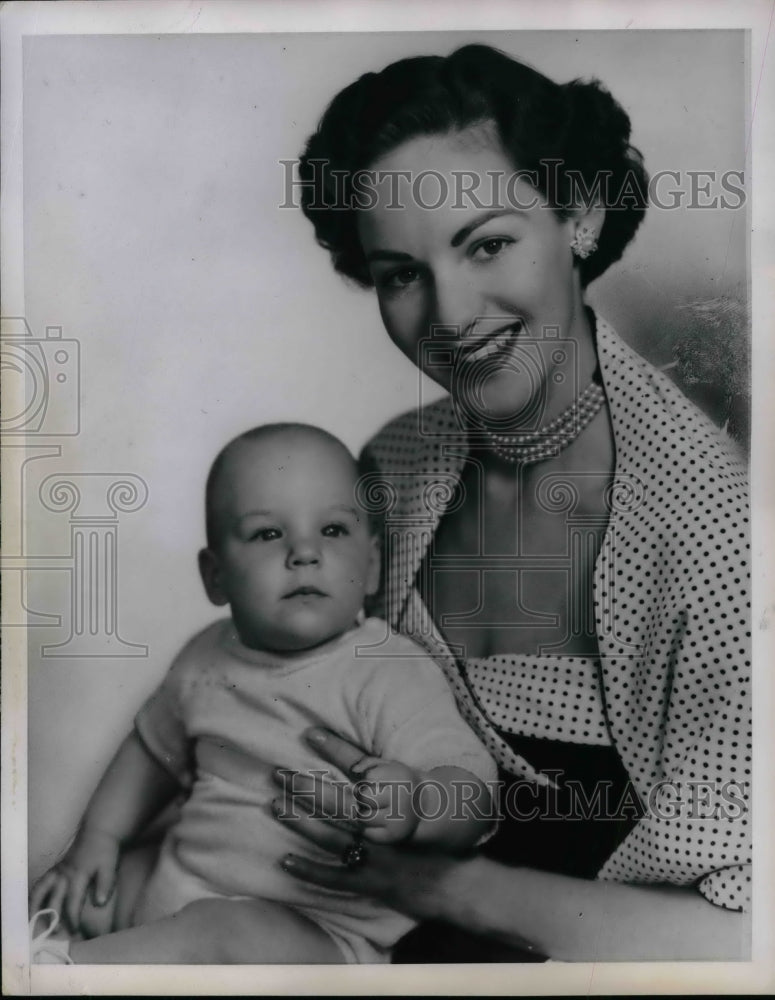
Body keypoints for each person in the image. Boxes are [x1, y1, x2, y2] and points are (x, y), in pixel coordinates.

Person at [271, 44, 752, 961]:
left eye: (486, 244)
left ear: (580, 216)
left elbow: (743, 943)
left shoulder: (718, 533)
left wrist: (439, 886)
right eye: (401, 273)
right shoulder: (390, 471)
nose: (450, 316)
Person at [29, 423, 497, 964]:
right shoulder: (206, 656)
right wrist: (100, 839)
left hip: (312, 935)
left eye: (333, 530)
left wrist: (418, 804)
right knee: (70, 891)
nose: (304, 552)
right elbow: (152, 752)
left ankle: (65, 976)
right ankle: (50, 952)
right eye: (268, 534)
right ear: (216, 576)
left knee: (221, 930)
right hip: (179, 884)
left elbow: (474, 787)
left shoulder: (385, 669)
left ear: (371, 567)